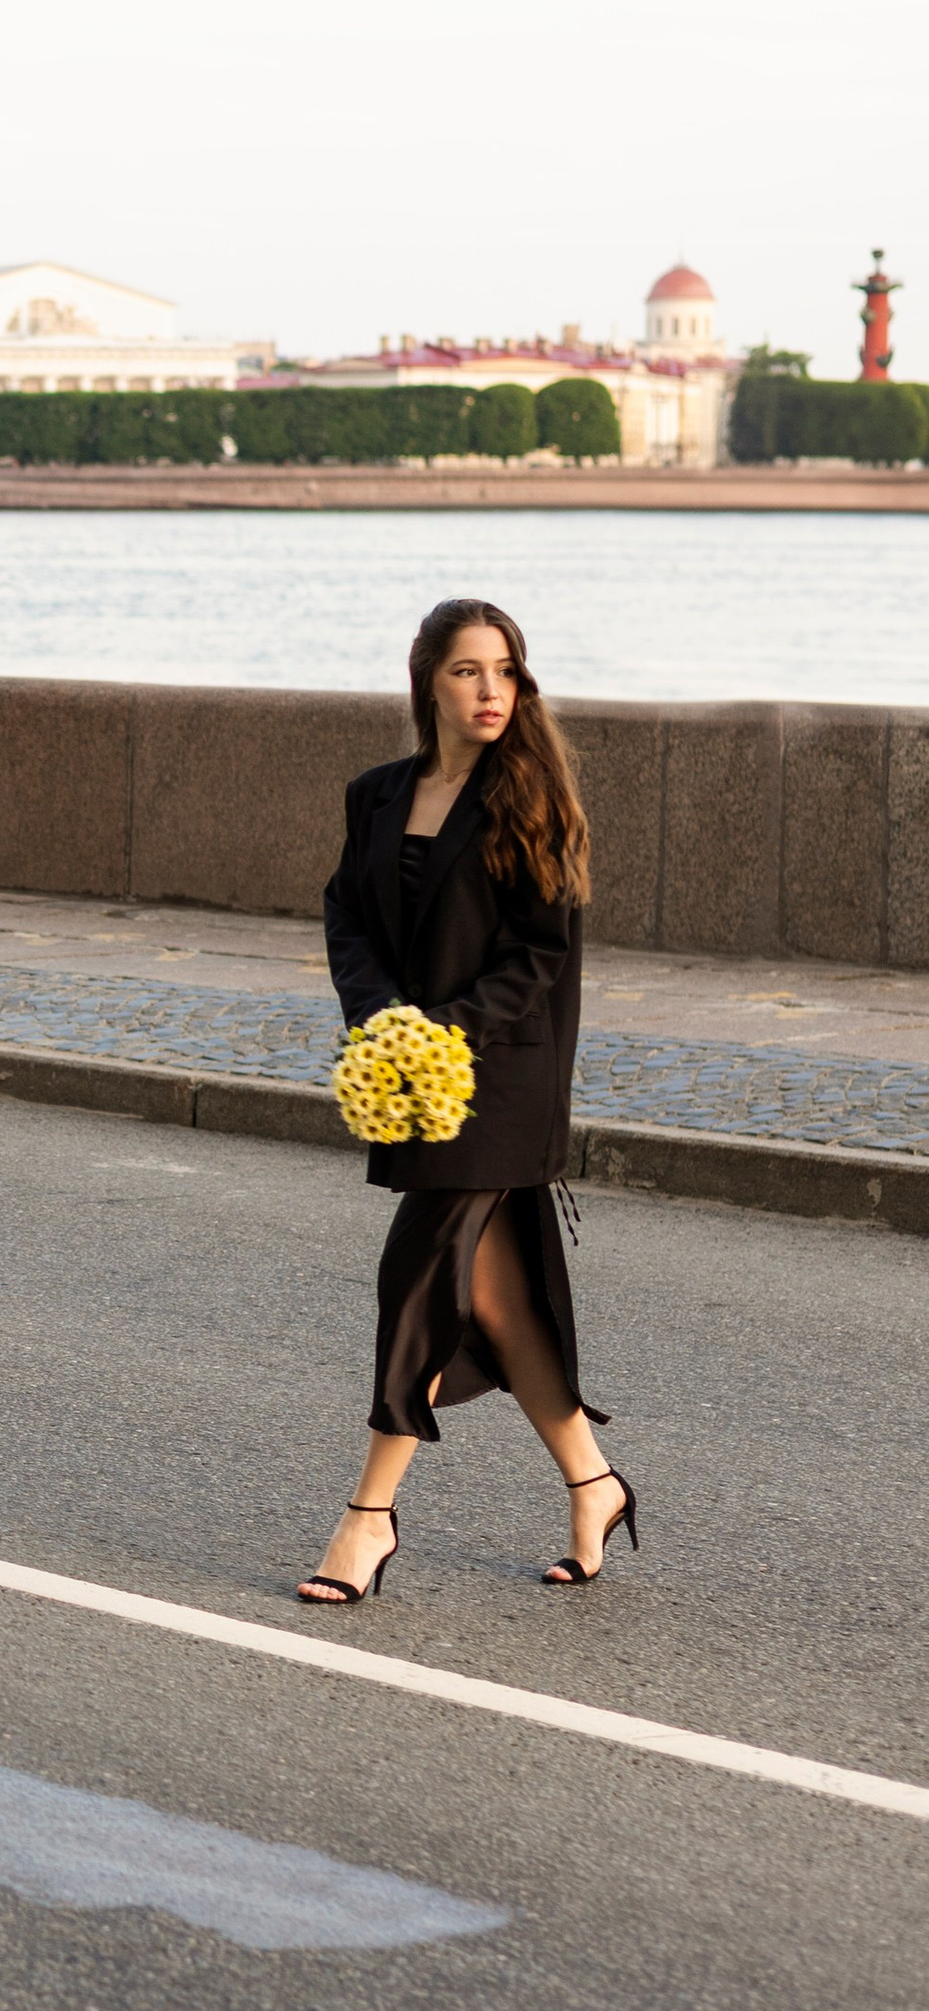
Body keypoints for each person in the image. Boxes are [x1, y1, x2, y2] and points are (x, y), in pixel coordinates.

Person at [296, 596, 638, 1602]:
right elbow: (344, 914)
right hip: (419, 1067)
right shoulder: (376, 794)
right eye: (467, 671)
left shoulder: (534, 797)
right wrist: (381, 1020)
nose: (491, 691)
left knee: (414, 1275)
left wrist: (441, 1030)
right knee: (491, 1295)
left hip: (504, 1071)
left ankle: (367, 1516)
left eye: (505, 671)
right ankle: (595, 1482)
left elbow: (541, 955)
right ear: (427, 682)